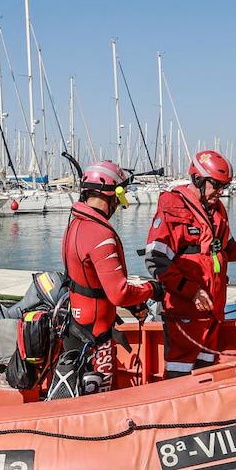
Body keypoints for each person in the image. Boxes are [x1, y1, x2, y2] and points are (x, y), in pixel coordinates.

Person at [144, 149, 236, 376]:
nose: (220, 192)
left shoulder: (216, 210)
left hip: (212, 311)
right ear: (198, 179)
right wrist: (191, 291)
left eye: (224, 186)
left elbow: (227, 248)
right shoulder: (173, 209)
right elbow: (156, 260)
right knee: (180, 371)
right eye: (216, 185)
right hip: (185, 311)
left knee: (206, 369)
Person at [58, 160, 162, 394]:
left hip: (76, 329)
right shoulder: (100, 233)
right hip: (97, 339)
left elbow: (92, 281)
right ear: (112, 192)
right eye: (121, 193)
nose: (120, 201)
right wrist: (152, 289)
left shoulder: (73, 226)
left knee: (78, 395)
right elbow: (119, 292)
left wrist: (135, 305)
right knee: (99, 400)